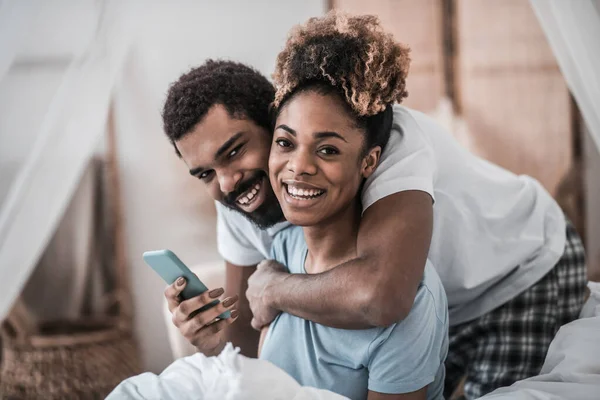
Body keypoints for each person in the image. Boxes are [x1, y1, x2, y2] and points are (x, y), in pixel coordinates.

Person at [161, 12, 588, 399]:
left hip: (521, 271)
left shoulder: (389, 145)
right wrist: (210, 336)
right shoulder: (236, 194)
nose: (227, 182)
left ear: (275, 118)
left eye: (234, 152)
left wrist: (276, 288)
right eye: (204, 173)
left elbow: (383, 297)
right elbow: (245, 333)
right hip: (439, 304)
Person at [258, 38, 448, 398]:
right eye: (285, 142)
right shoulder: (281, 250)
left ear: (369, 162)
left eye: (327, 149)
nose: (298, 166)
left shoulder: (412, 300)